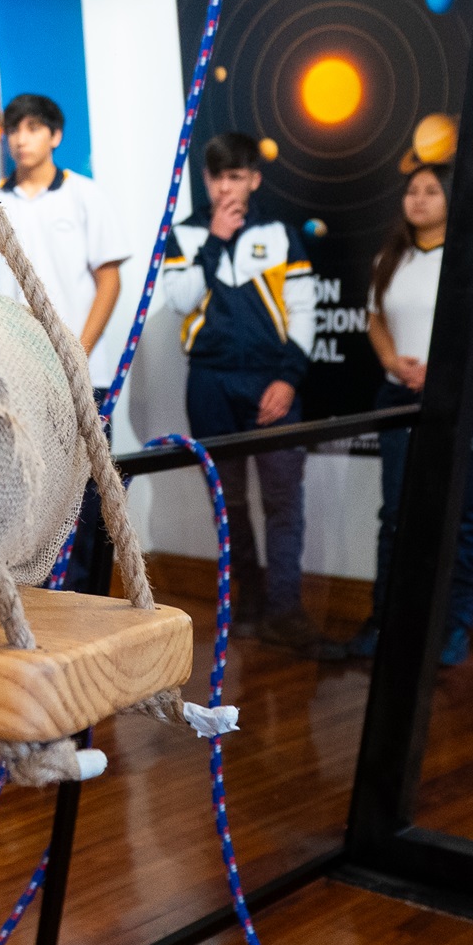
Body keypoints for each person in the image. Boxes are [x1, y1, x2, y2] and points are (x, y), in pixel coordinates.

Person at [159, 131, 343, 659]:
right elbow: (180, 299)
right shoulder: (185, 234)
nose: (225, 188)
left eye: (235, 177)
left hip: (271, 380)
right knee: (229, 502)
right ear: (206, 179)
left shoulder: (281, 235)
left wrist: (287, 379)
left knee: (283, 499)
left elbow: (305, 311)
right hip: (210, 382)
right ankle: (251, 604)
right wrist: (215, 240)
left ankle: (284, 610)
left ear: (254, 180)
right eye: (217, 177)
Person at [355, 162, 473, 667]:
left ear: (452, 198)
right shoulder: (390, 258)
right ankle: (384, 621)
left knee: (467, 515)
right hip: (401, 396)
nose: (419, 198)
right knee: (397, 516)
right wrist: (392, 361)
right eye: (413, 190)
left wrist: (454, 370)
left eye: (432, 190)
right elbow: (375, 319)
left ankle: (454, 627)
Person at [0, 95, 130, 354]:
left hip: (80, 359)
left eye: (33, 128)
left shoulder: (85, 194)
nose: (21, 140)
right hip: (11, 359)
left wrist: (80, 353)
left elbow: (109, 281)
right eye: (13, 130)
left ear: (55, 136)